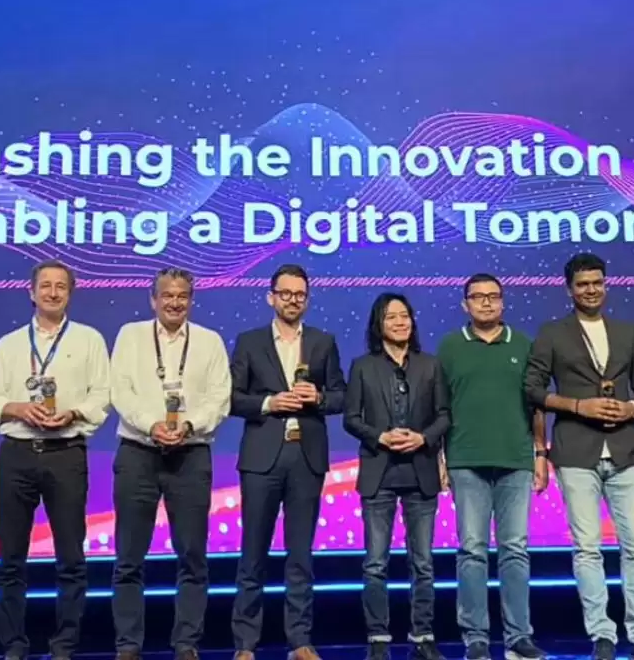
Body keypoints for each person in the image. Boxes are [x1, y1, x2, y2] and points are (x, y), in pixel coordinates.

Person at [524, 252, 634, 660]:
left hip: (623, 448)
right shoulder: (552, 333)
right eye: (583, 284)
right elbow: (532, 389)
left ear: (606, 284)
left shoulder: (626, 332)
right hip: (575, 451)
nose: (591, 290)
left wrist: (632, 407)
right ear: (569, 289)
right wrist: (576, 406)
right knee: (587, 548)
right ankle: (602, 634)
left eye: (597, 283)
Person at [0, 259, 111, 660]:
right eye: (45, 286)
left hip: (65, 454)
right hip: (16, 455)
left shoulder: (89, 340)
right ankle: (14, 646)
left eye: (61, 286)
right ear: (31, 292)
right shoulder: (9, 344)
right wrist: (17, 407)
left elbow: (102, 395)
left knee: (71, 557)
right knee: (10, 558)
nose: (53, 292)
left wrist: (74, 413)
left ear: (70, 293)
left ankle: (64, 645)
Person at [110, 267, 233, 660]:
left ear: (191, 301)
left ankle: (186, 644)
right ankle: (128, 645)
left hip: (191, 455)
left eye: (182, 296)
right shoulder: (130, 336)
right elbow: (120, 390)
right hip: (138, 453)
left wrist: (189, 425)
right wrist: (153, 425)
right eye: (167, 295)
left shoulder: (209, 341)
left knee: (193, 555)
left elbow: (220, 397)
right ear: (153, 299)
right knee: (129, 556)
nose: (174, 302)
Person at [229, 264, 346, 660]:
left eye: (299, 294)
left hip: (306, 458)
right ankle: (246, 643)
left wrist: (319, 398)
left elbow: (342, 395)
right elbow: (232, 398)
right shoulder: (249, 342)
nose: (292, 300)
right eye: (285, 293)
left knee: (300, 555)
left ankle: (299, 640)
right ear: (271, 297)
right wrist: (269, 402)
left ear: (307, 300)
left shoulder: (323, 342)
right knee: (252, 553)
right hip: (261, 458)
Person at [437, 273, 548, 660]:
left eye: (493, 296)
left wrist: (540, 454)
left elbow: (536, 406)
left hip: (516, 461)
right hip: (465, 461)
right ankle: (476, 637)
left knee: (515, 549)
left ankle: (519, 636)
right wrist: (440, 459)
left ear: (502, 302)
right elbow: (439, 408)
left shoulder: (523, 344)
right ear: (465, 304)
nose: (486, 302)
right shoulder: (450, 347)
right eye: (477, 297)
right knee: (472, 550)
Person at [344, 293, 449, 660]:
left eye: (405, 316)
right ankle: (378, 639)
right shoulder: (362, 366)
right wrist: (380, 436)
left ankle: (423, 636)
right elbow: (351, 419)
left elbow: (444, 416)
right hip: (380, 472)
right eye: (392, 317)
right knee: (375, 563)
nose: (401, 322)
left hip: (421, 472)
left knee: (423, 563)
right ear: (379, 324)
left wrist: (423, 438)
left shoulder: (431, 365)